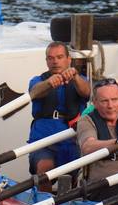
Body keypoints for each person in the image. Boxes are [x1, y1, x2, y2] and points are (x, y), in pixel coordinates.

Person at [27, 42, 90, 185]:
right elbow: (34, 91)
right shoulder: (38, 80)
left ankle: (73, 201)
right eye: (50, 58)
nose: (55, 61)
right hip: (44, 141)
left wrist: (75, 77)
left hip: (72, 141)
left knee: (77, 175)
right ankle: (43, 204)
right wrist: (49, 83)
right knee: (45, 167)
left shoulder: (80, 80)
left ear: (68, 60)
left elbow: (87, 92)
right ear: (46, 61)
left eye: (59, 57)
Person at [77, 78, 118, 201]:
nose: (110, 106)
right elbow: (88, 146)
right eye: (104, 101)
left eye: (114, 100)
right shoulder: (86, 121)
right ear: (95, 103)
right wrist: (116, 142)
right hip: (100, 185)